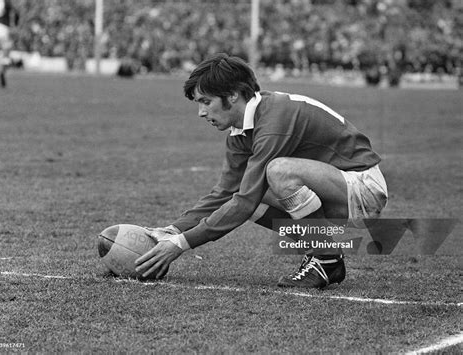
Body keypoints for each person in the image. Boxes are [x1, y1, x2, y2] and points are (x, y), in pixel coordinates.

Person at [135, 53, 388, 288]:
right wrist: (173, 230)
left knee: (278, 173)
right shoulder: (240, 131)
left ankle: (326, 258)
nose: (201, 112)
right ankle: (321, 251)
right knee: (249, 195)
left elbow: (244, 202)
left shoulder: (274, 119)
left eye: (206, 102)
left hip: (363, 189)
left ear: (232, 95)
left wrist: (181, 245)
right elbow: (226, 193)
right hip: (335, 188)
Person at [0, 0, 19, 89]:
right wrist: (16, 25)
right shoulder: (7, 3)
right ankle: (2, 72)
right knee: (5, 54)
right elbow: (16, 13)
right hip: (4, 28)